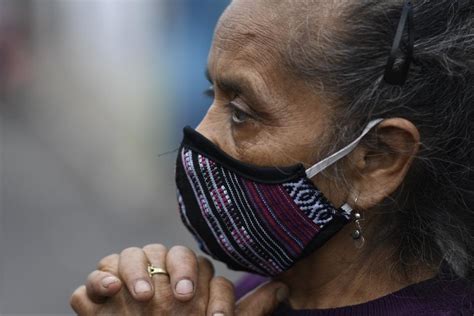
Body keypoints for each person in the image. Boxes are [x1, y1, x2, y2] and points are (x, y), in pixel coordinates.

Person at [70, 0, 474, 314]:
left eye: (242, 113)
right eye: (212, 95)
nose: (199, 136)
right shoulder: (257, 291)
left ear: (376, 159)